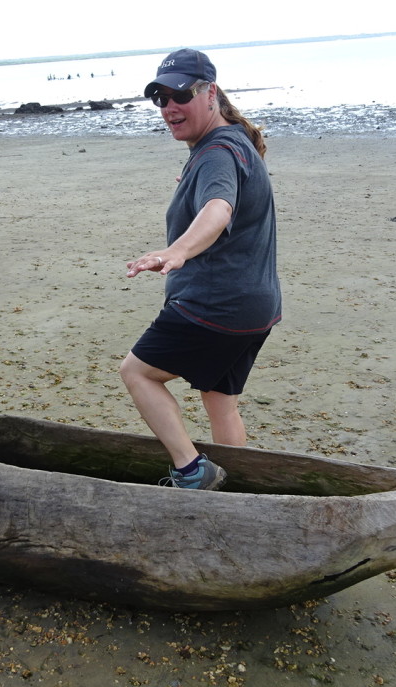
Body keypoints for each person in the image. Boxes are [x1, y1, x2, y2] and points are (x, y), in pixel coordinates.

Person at [120, 49, 281, 490]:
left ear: (210, 92)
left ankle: (193, 472)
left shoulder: (216, 153)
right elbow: (223, 194)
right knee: (220, 401)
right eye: (160, 98)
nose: (170, 107)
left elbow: (219, 208)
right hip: (256, 308)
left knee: (137, 373)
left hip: (216, 306)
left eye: (181, 94)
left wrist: (180, 250)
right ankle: (242, 488)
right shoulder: (233, 144)